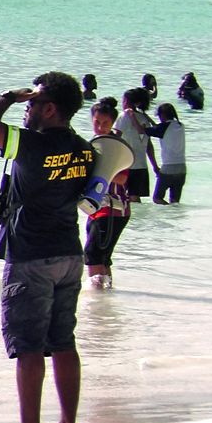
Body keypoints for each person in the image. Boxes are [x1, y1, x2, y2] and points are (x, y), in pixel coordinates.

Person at [0, 72, 93, 423]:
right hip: (70, 253)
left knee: (27, 346)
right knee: (63, 341)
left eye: (32, 104)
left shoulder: (28, 145)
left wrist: (7, 93)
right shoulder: (84, 149)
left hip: (30, 255)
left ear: (50, 108)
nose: (26, 111)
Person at [83, 99, 130, 290]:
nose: (100, 127)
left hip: (113, 208)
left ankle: (96, 297)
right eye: (97, 122)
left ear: (113, 122)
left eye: (105, 123)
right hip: (95, 207)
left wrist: (99, 169)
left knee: (93, 253)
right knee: (102, 256)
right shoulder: (92, 144)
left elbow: (122, 179)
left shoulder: (118, 146)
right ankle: (105, 298)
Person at [113, 89, 157, 203]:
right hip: (141, 164)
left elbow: (116, 138)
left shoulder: (123, 117)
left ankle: (134, 220)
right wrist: (154, 165)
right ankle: (141, 220)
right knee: (135, 197)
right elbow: (149, 145)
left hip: (127, 164)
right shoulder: (144, 118)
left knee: (128, 198)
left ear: (127, 101)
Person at [150, 102, 187, 204]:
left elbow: (143, 130)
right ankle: (174, 217)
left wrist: (133, 117)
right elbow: (158, 128)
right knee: (175, 201)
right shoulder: (180, 126)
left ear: (162, 115)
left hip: (168, 168)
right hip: (182, 167)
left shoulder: (163, 127)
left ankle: (166, 215)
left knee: (157, 198)